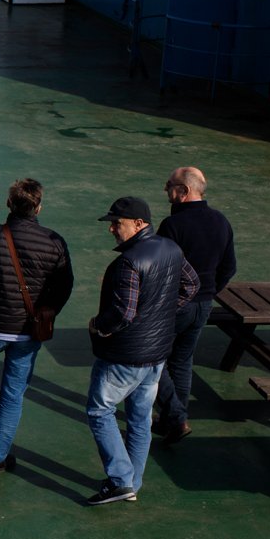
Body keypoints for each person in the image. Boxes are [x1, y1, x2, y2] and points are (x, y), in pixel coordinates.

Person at [0, 178, 74, 475]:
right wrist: (47, 313)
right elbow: (63, 286)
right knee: (12, 393)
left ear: (9, 204)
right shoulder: (54, 242)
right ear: (38, 206)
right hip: (28, 331)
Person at [83, 196, 200, 505]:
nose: (111, 229)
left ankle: (121, 481)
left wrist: (97, 325)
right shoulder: (171, 249)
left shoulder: (129, 262)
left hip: (125, 356)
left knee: (99, 411)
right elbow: (191, 285)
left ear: (139, 224)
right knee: (140, 419)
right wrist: (160, 312)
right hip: (156, 356)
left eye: (116, 223)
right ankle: (132, 482)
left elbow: (122, 314)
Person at [153, 166, 236, 443]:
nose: (166, 188)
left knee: (152, 360)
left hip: (175, 305)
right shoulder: (221, 221)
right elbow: (229, 267)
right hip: (203, 305)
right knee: (182, 361)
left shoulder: (173, 226)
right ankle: (174, 419)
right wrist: (208, 292)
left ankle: (175, 417)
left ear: (184, 191)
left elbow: (161, 270)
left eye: (169, 184)